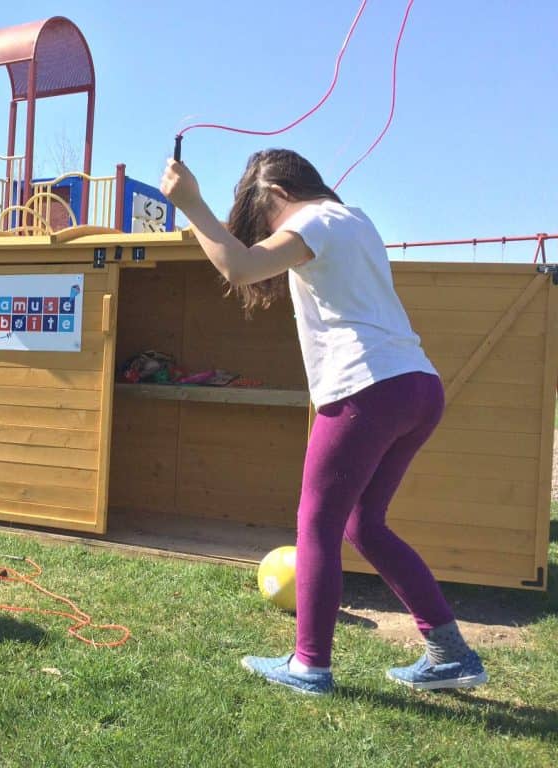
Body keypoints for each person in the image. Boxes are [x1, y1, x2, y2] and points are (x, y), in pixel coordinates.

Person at [160, 149, 486, 695]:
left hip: (366, 389)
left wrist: (191, 202)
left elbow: (239, 265)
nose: (267, 231)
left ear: (278, 195)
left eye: (263, 218)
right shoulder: (357, 220)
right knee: (364, 524)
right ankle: (450, 652)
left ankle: (309, 665)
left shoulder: (310, 220)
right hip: (418, 386)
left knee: (317, 525)